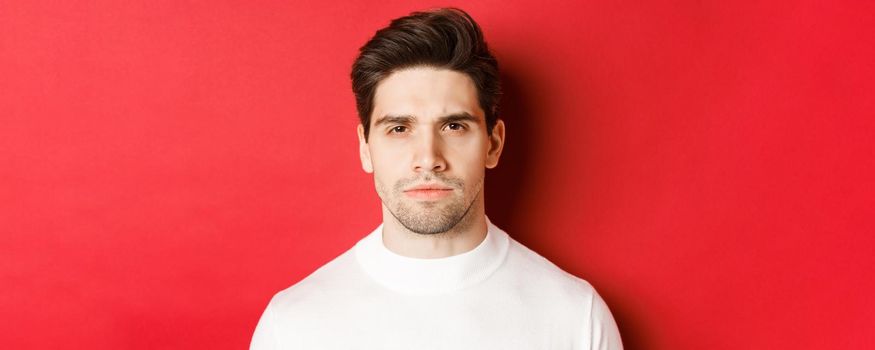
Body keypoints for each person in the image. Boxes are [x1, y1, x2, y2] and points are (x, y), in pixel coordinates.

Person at [250, 7, 623, 350]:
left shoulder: (576, 319)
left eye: (454, 126)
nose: (428, 158)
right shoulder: (293, 326)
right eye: (399, 128)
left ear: (493, 144)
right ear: (366, 148)